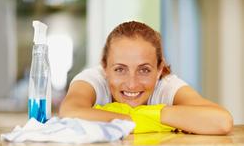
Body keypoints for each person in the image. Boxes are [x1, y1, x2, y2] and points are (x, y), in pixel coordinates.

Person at [59, 21, 233, 135]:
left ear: (159, 69)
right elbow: (69, 113)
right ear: (104, 68)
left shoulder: (165, 85)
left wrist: (143, 115)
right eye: (120, 69)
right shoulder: (93, 79)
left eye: (144, 70)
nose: (132, 84)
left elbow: (221, 121)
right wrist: (156, 119)